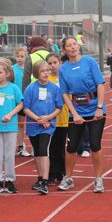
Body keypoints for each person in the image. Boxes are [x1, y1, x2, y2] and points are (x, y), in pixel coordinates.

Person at [57, 36, 106, 193]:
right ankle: (68, 178)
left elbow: (100, 84)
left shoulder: (89, 62)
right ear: (64, 50)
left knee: (95, 144)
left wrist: (99, 107)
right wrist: (74, 113)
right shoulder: (63, 69)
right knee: (71, 147)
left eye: (74, 44)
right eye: (69, 46)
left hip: (95, 109)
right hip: (76, 111)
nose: (73, 47)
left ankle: (98, 179)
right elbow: (65, 94)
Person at [23, 60, 63, 195]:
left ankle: (45, 181)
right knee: (38, 152)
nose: (46, 73)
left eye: (47, 70)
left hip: (48, 126)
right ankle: (40, 177)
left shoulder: (54, 88)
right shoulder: (30, 88)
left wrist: (48, 118)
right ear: (36, 73)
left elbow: (59, 108)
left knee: (44, 150)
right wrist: (38, 119)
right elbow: (26, 108)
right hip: (34, 125)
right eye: (43, 71)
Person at [0, 59, 23, 194]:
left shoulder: (14, 88)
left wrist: (10, 114)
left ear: (7, 74)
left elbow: (20, 104)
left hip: (10, 126)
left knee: (9, 155)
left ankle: (10, 180)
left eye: (0, 72)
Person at [46, 52, 69, 185]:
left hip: (63, 118)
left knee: (60, 147)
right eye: (50, 63)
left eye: (55, 63)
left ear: (60, 63)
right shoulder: (46, 79)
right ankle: (51, 173)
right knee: (50, 147)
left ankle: (62, 172)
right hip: (49, 119)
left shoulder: (64, 78)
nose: (53, 66)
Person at [12, 47, 31, 157]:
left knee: (26, 124)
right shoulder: (12, 69)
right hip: (16, 100)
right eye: (18, 56)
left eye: (22, 56)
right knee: (18, 123)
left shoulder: (28, 70)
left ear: (26, 57)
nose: (19, 58)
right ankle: (19, 146)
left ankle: (25, 146)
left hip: (27, 99)